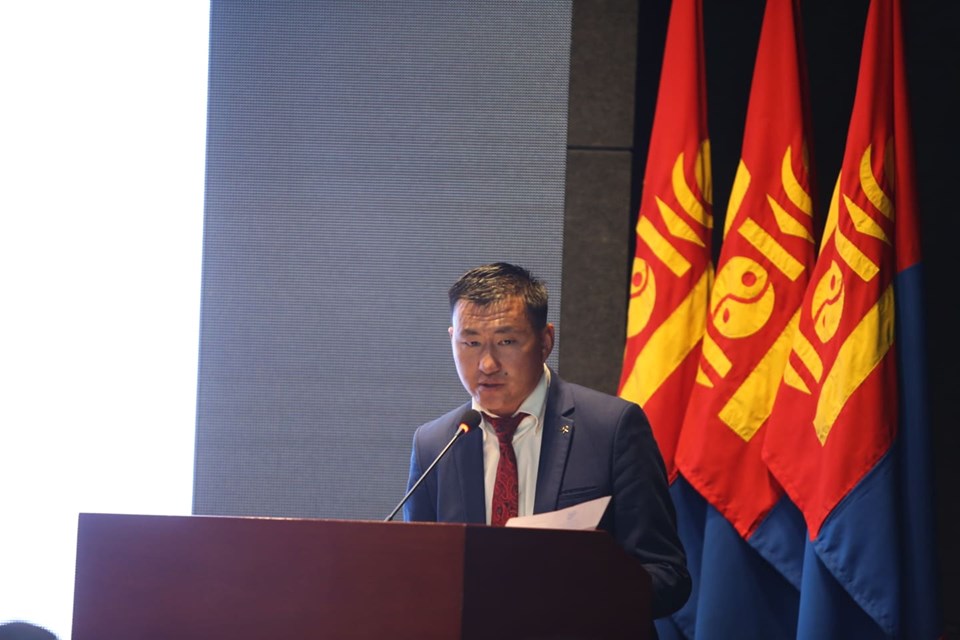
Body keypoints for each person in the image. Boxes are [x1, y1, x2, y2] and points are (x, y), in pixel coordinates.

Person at [403, 262, 691, 619]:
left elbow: (667, 575)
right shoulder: (434, 444)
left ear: (545, 342)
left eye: (506, 341)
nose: (487, 364)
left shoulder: (613, 428)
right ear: (452, 339)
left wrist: (580, 594)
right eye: (471, 343)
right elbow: (417, 577)